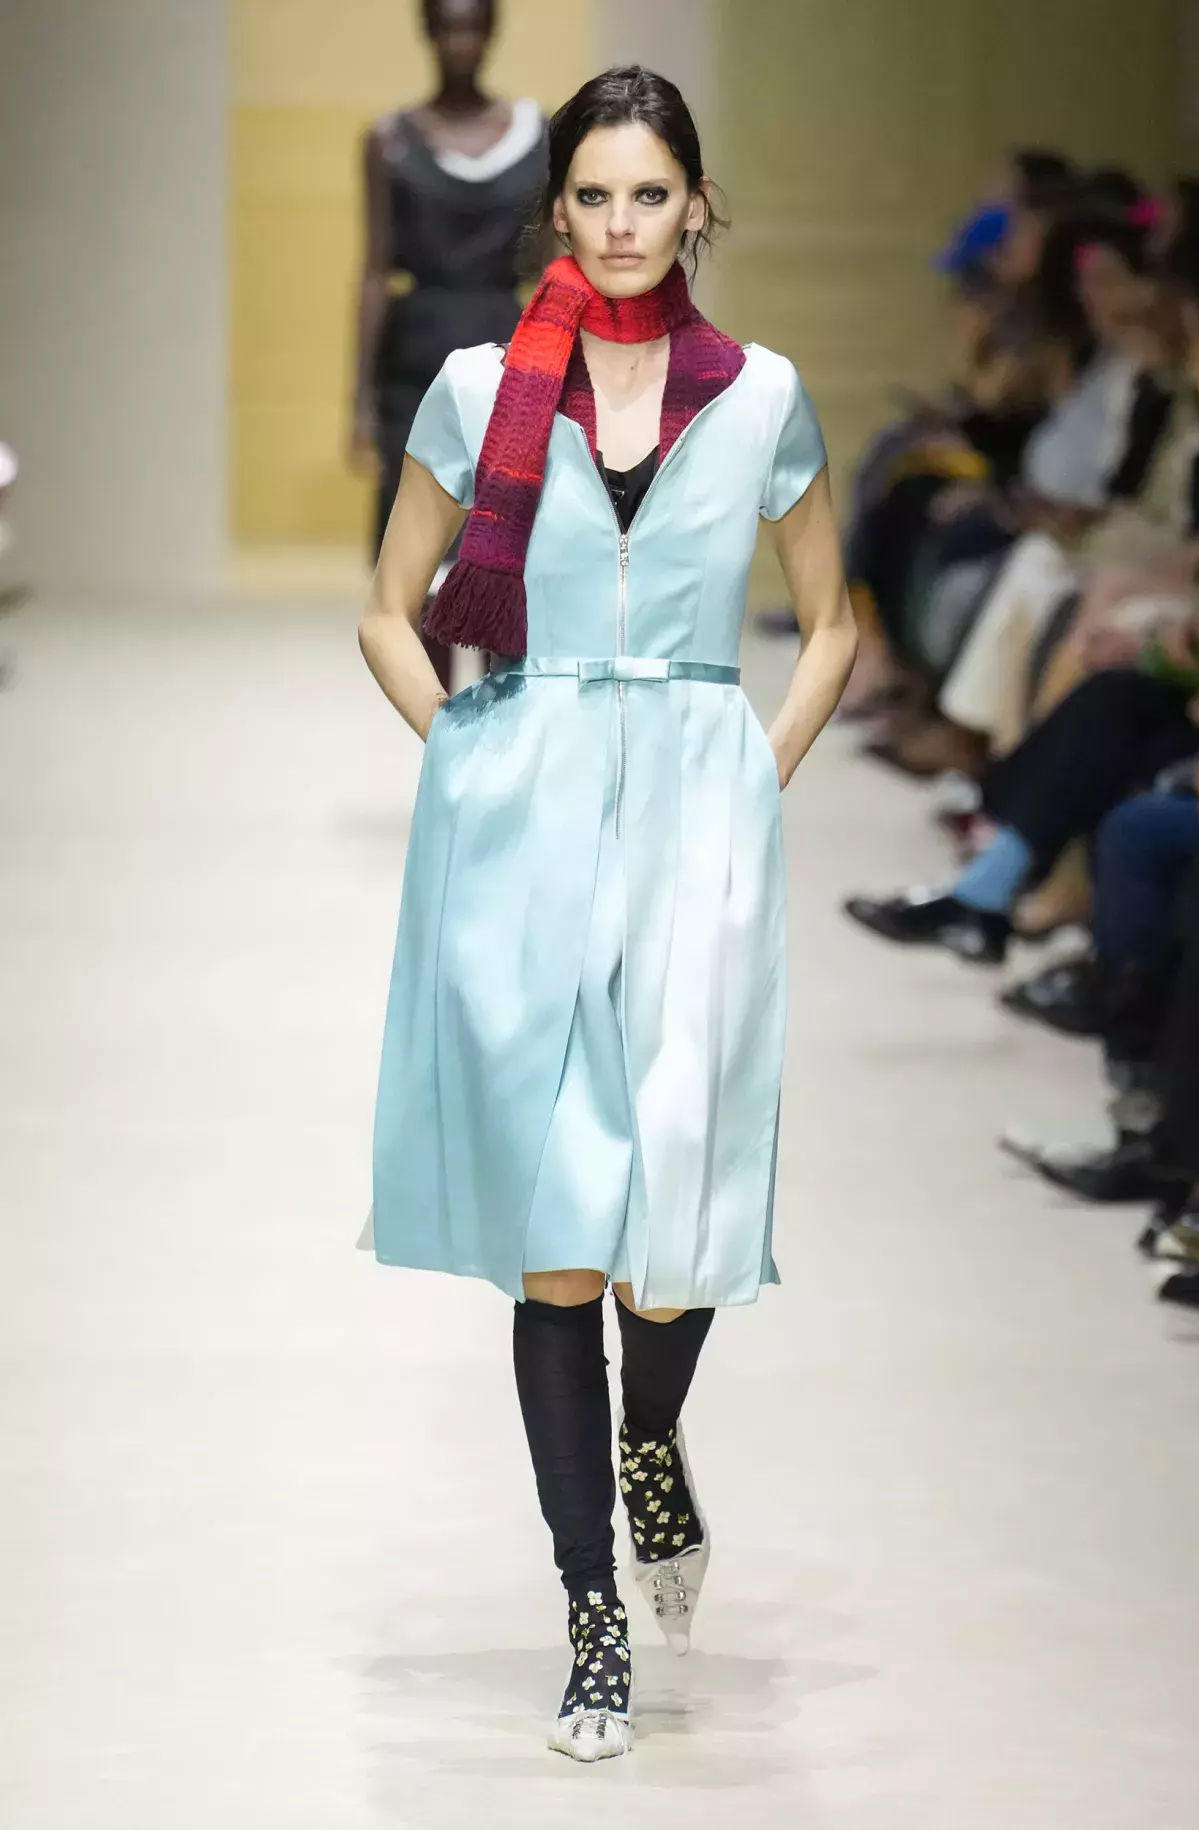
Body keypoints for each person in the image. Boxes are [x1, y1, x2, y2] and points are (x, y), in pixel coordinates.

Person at [358, 66, 856, 1763]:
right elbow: (389, 609)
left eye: (652, 194)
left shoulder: (761, 396)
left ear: (695, 205)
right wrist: (470, 761)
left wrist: (755, 776)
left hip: (700, 832)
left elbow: (834, 621)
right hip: (531, 836)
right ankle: (591, 1617)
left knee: (682, 1216)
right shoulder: (478, 388)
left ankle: (656, 1440)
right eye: (595, 195)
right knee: (564, 1236)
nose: (624, 224)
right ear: (555, 207)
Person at [350, 0, 547, 692]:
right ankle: (439, 729)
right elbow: (374, 269)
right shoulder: (390, 140)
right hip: (417, 358)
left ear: (491, 32)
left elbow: (551, 262)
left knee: (505, 545)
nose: (460, 41)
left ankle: (503, 722)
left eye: (473, 26)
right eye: (448, 26)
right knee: (418, 553)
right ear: (427, 32)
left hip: (509, 350)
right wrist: (359, 402)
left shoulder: (536, 137)